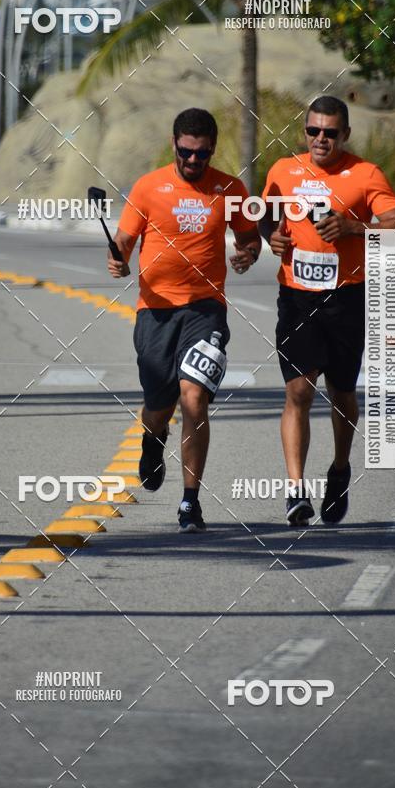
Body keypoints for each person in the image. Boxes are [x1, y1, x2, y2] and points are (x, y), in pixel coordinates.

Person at [259, 95, 395, 527]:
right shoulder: (283, 170)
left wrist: (354, 228)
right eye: (313, 131)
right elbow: (266, 217)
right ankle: (295, 490)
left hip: (346, 299)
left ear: (345, 134)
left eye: (330, 132)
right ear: (304, 132)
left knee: (342, 394)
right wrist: (274, 238)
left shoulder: (365, 175)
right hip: (296, 297)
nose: (321, 139)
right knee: (299, 392)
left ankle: (340, 468)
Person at [107, 108, 261, 533]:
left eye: (203, 154)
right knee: (158, 408)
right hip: (155, 311)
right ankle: (152, 441)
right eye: (186, 153)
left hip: (205, 308)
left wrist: (247, 254)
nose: (194, 161)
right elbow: (123, 241)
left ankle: (190, 501)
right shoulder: (148, 186)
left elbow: (251, 236)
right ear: (174, 144)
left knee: (194, 398)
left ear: (212, 149)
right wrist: (117, 260)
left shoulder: (231, 188)